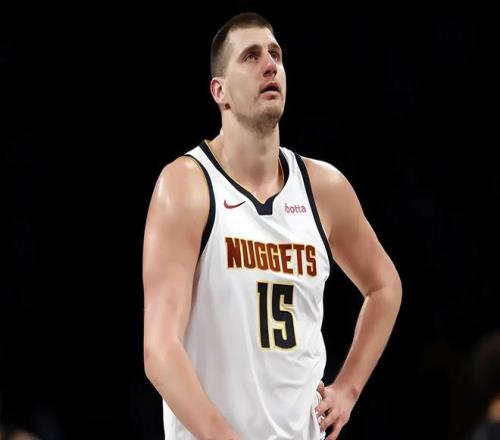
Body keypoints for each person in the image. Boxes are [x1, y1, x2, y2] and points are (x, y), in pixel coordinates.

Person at [142, 12, 402, 440]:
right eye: (251, 56)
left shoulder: (324, 187)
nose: (270, 65)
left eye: (275, 54)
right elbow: (159, 349)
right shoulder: (186, 185)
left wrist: (348, 389)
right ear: (220, 91)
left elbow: (385, 287)